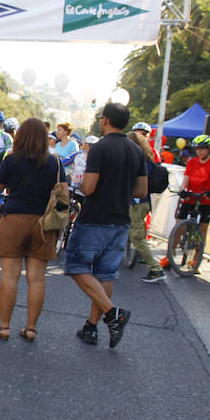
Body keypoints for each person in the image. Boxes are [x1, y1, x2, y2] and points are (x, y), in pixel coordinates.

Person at [66, 103, 147, 349]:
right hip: (121, 219)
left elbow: (89, 187)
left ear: (105, 121)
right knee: (105, 274)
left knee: (77, 266)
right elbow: (142, 190)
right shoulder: (136, 151)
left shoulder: (100, 149)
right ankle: (91, 327)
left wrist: (78, 185)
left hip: (95, 218)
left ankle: (112, 314)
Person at [0, 118, 66, 341]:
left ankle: (4, 327)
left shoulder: (12, 159)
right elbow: (62, 191)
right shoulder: (55, 163)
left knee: (10, 276)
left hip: (14, 219)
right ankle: (31, 329)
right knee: (37, 279)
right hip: (44, 223)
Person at [160, 134, 210, 271]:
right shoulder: (192, 162)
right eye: (198, 148)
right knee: (179, 225)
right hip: (191, 196)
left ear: (209, 149)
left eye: (203, 148)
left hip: (206, 199)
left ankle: (196, 259)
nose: (200, 151)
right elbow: (186, 178)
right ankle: (169, 257)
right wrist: (183, 190)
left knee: (202, 229)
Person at [126, 130, 166, 283]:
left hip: (136, 202)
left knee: (137, 237)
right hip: (144, 201)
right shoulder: (147, 158)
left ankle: (155, 269)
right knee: (139, 234)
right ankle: (144, 258)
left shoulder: (136, 159)